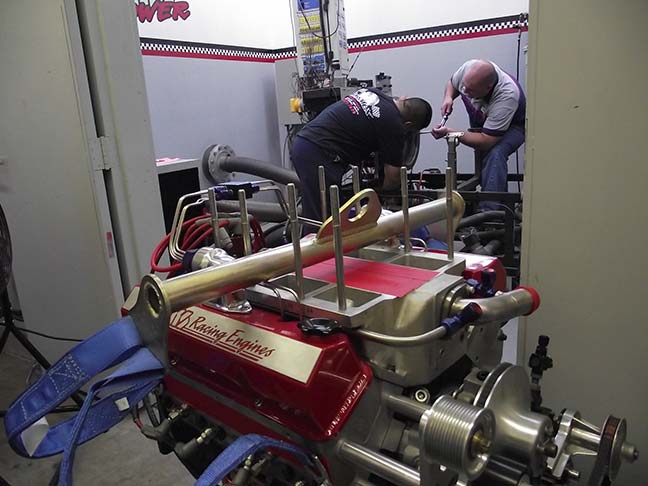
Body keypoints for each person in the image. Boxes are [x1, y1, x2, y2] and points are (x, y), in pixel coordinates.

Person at [292, 88, 432, 222]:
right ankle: (317, 246)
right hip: (319, 154)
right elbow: (393, 178)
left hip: (304, 142)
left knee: (323, 212)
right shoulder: (394, 125)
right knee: (324, 221)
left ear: (404, 99)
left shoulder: (373, 92)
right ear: (407, 125)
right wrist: (377, 190)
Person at [431, 59, 526, 208]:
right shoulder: (469, 70)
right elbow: (452, 83)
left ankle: (490, 216)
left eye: (470, 90)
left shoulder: (507, 96)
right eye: (464, 87)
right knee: (485, 164)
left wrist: (452, 132)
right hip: (484, 118)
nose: (465, 92)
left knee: (495, 154)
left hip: (513, 126)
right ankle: (499, 205)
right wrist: (448, 97)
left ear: (488, 88)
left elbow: (486, 140)